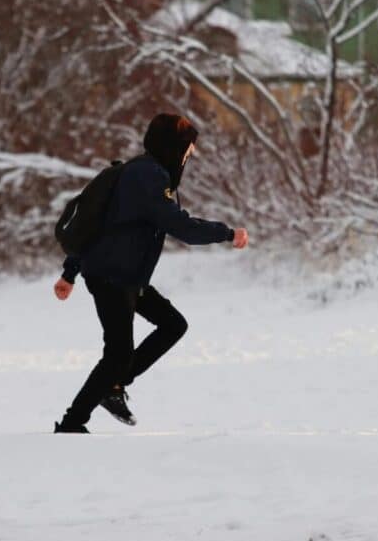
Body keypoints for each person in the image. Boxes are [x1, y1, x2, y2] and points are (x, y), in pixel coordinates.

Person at [52, 114, 249, 434]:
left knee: (172, 325)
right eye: (189, 148)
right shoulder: (147, 177)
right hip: (111, 276)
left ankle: (113, 385)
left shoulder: (151, 173)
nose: (191, 154)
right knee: (118, 354)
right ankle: (73, 423)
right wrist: (227, 234)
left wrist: (70, 273)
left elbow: (102, 224)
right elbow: (180, 225)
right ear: (175, 146)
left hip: (127, 277)